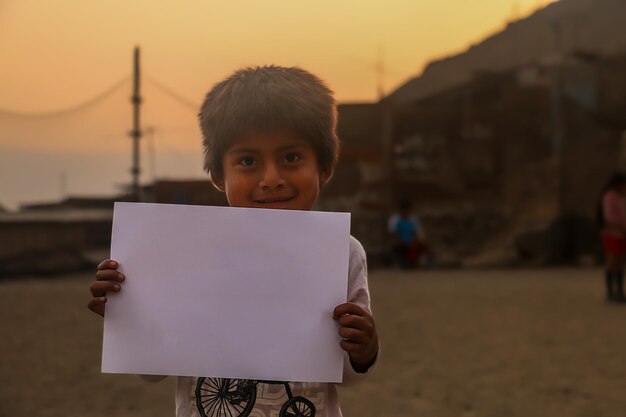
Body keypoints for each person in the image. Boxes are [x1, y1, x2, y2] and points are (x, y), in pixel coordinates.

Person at [88, 66, 379, 417]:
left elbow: (347, 376)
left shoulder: (343, 252)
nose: (271, 179)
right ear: (217, 175)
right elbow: (153, 371)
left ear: (324, 167)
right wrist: (129, 313)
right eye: (248, 161)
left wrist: (364, 349)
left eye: (291, 157)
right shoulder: (188, 253)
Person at [597, 172, 626, 303]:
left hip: (622, 233)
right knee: (612, 262)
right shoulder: (609, 197)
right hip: (612, 232)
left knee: (619, 263)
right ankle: (610, 293)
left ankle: (619, 292)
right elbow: (609, 217)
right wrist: (621, 225)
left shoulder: (621, 197)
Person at [388, 200, 429, 268]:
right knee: (397, 245)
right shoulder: (395, 220)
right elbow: (393, 234)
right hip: (400, 241)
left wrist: (416, 241)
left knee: (423, 245)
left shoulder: (413, 220)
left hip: (411, 241)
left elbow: (416, 233)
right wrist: (399, 241)